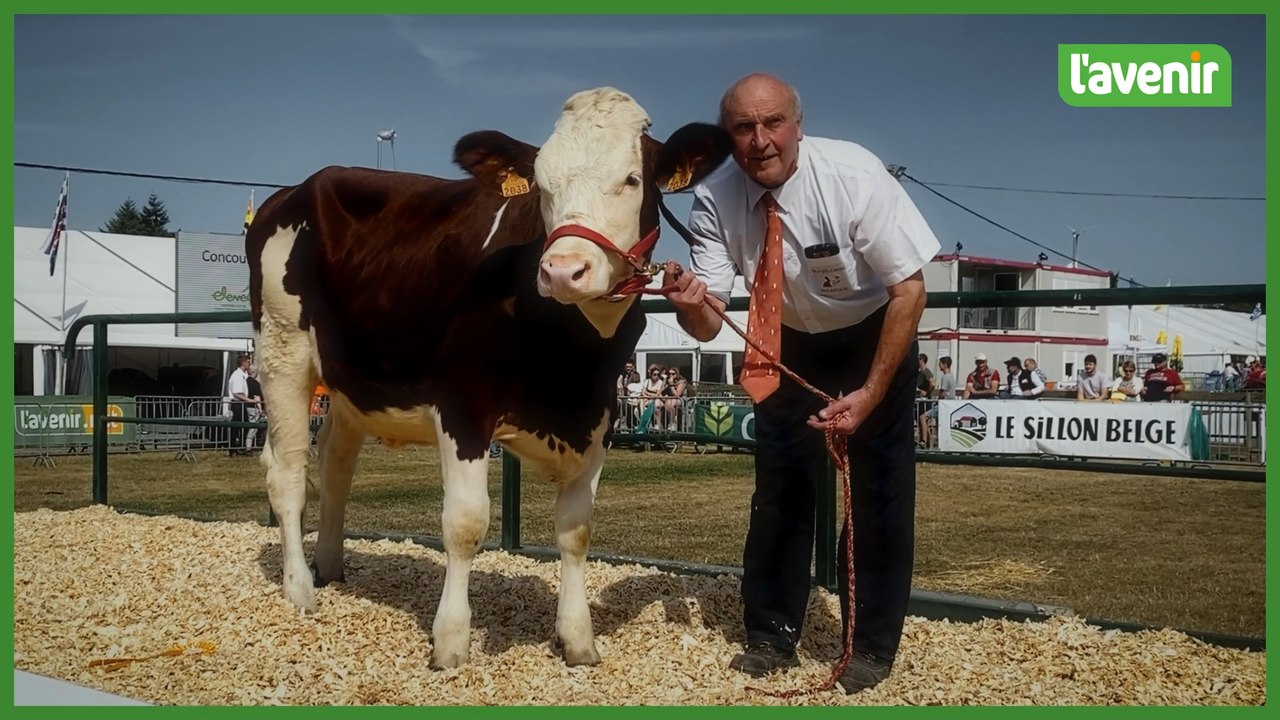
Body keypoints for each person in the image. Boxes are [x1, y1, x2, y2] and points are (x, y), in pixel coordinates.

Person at [662, 72, 941, 694]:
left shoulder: (855, 176)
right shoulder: (712, 199)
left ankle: (869, 645)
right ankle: (769, 633)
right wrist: (685, 299)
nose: (761, 140)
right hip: (784, 343)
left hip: (873, 335)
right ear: (727, 135)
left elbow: (910, 290)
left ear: (797, 124)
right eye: (743, 127)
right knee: (780, 493)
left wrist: (871, 392)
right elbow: (708, 324)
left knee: (879, 495)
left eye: (773, 123)